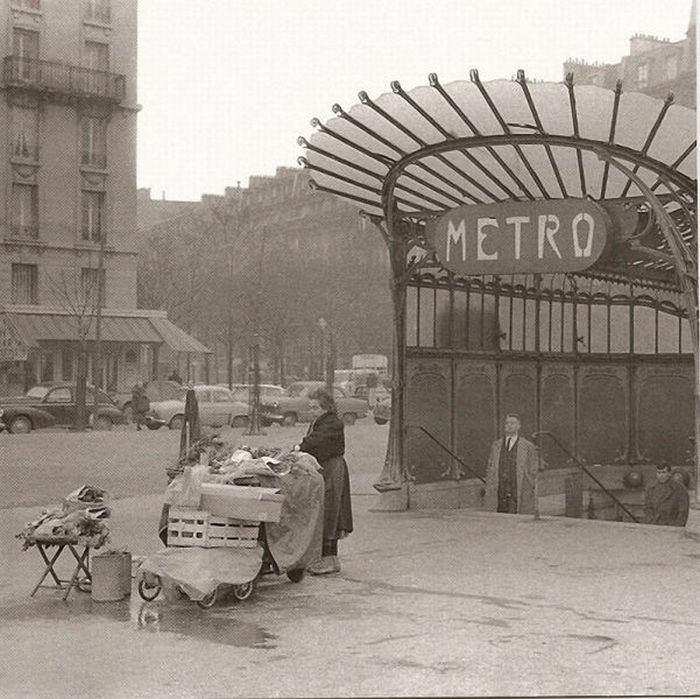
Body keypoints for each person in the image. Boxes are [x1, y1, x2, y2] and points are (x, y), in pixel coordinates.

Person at [297, 387, 353, 575]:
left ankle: (330, 560)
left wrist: (298, 448)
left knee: (331, 510)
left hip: (331, 469)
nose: (312, 411)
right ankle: (324, 558)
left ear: (326, 407)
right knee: (325, 510)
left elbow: (314, 443)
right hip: (324, 468)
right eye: (310, 407)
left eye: (315, 408)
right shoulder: (322, 421)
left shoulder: (332, 423)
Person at [484, 413, 540, 515]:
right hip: (500, 488)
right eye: (507, 423)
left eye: (513, 423)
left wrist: (528, 483)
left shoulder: (527, 446)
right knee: (499, 514)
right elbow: (490, 466)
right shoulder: (496, 445)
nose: (509, 425)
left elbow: (533, 469)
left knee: (516, 514)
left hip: (518, 487)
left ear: (519, 425)